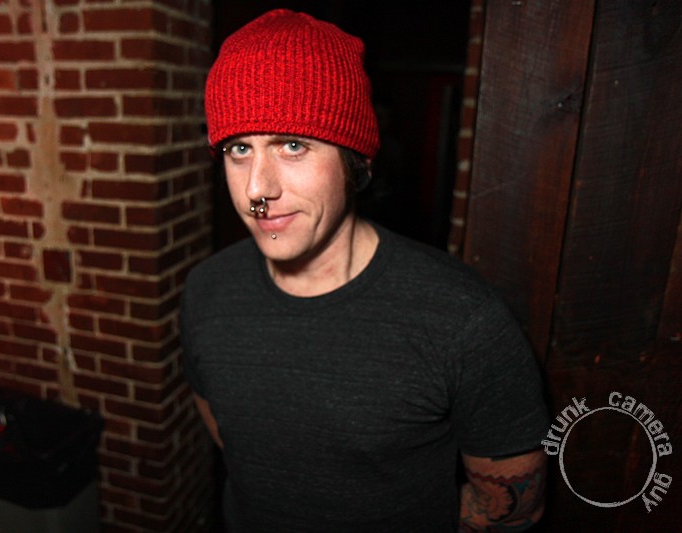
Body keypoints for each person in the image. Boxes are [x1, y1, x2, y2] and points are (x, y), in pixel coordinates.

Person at [181, 9, 549, 532]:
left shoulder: (462, 320)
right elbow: (235, 441)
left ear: (357, 161)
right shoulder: (206, 291)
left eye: (292, 145)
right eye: (239, 149)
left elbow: (511, 508)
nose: (257, 189)